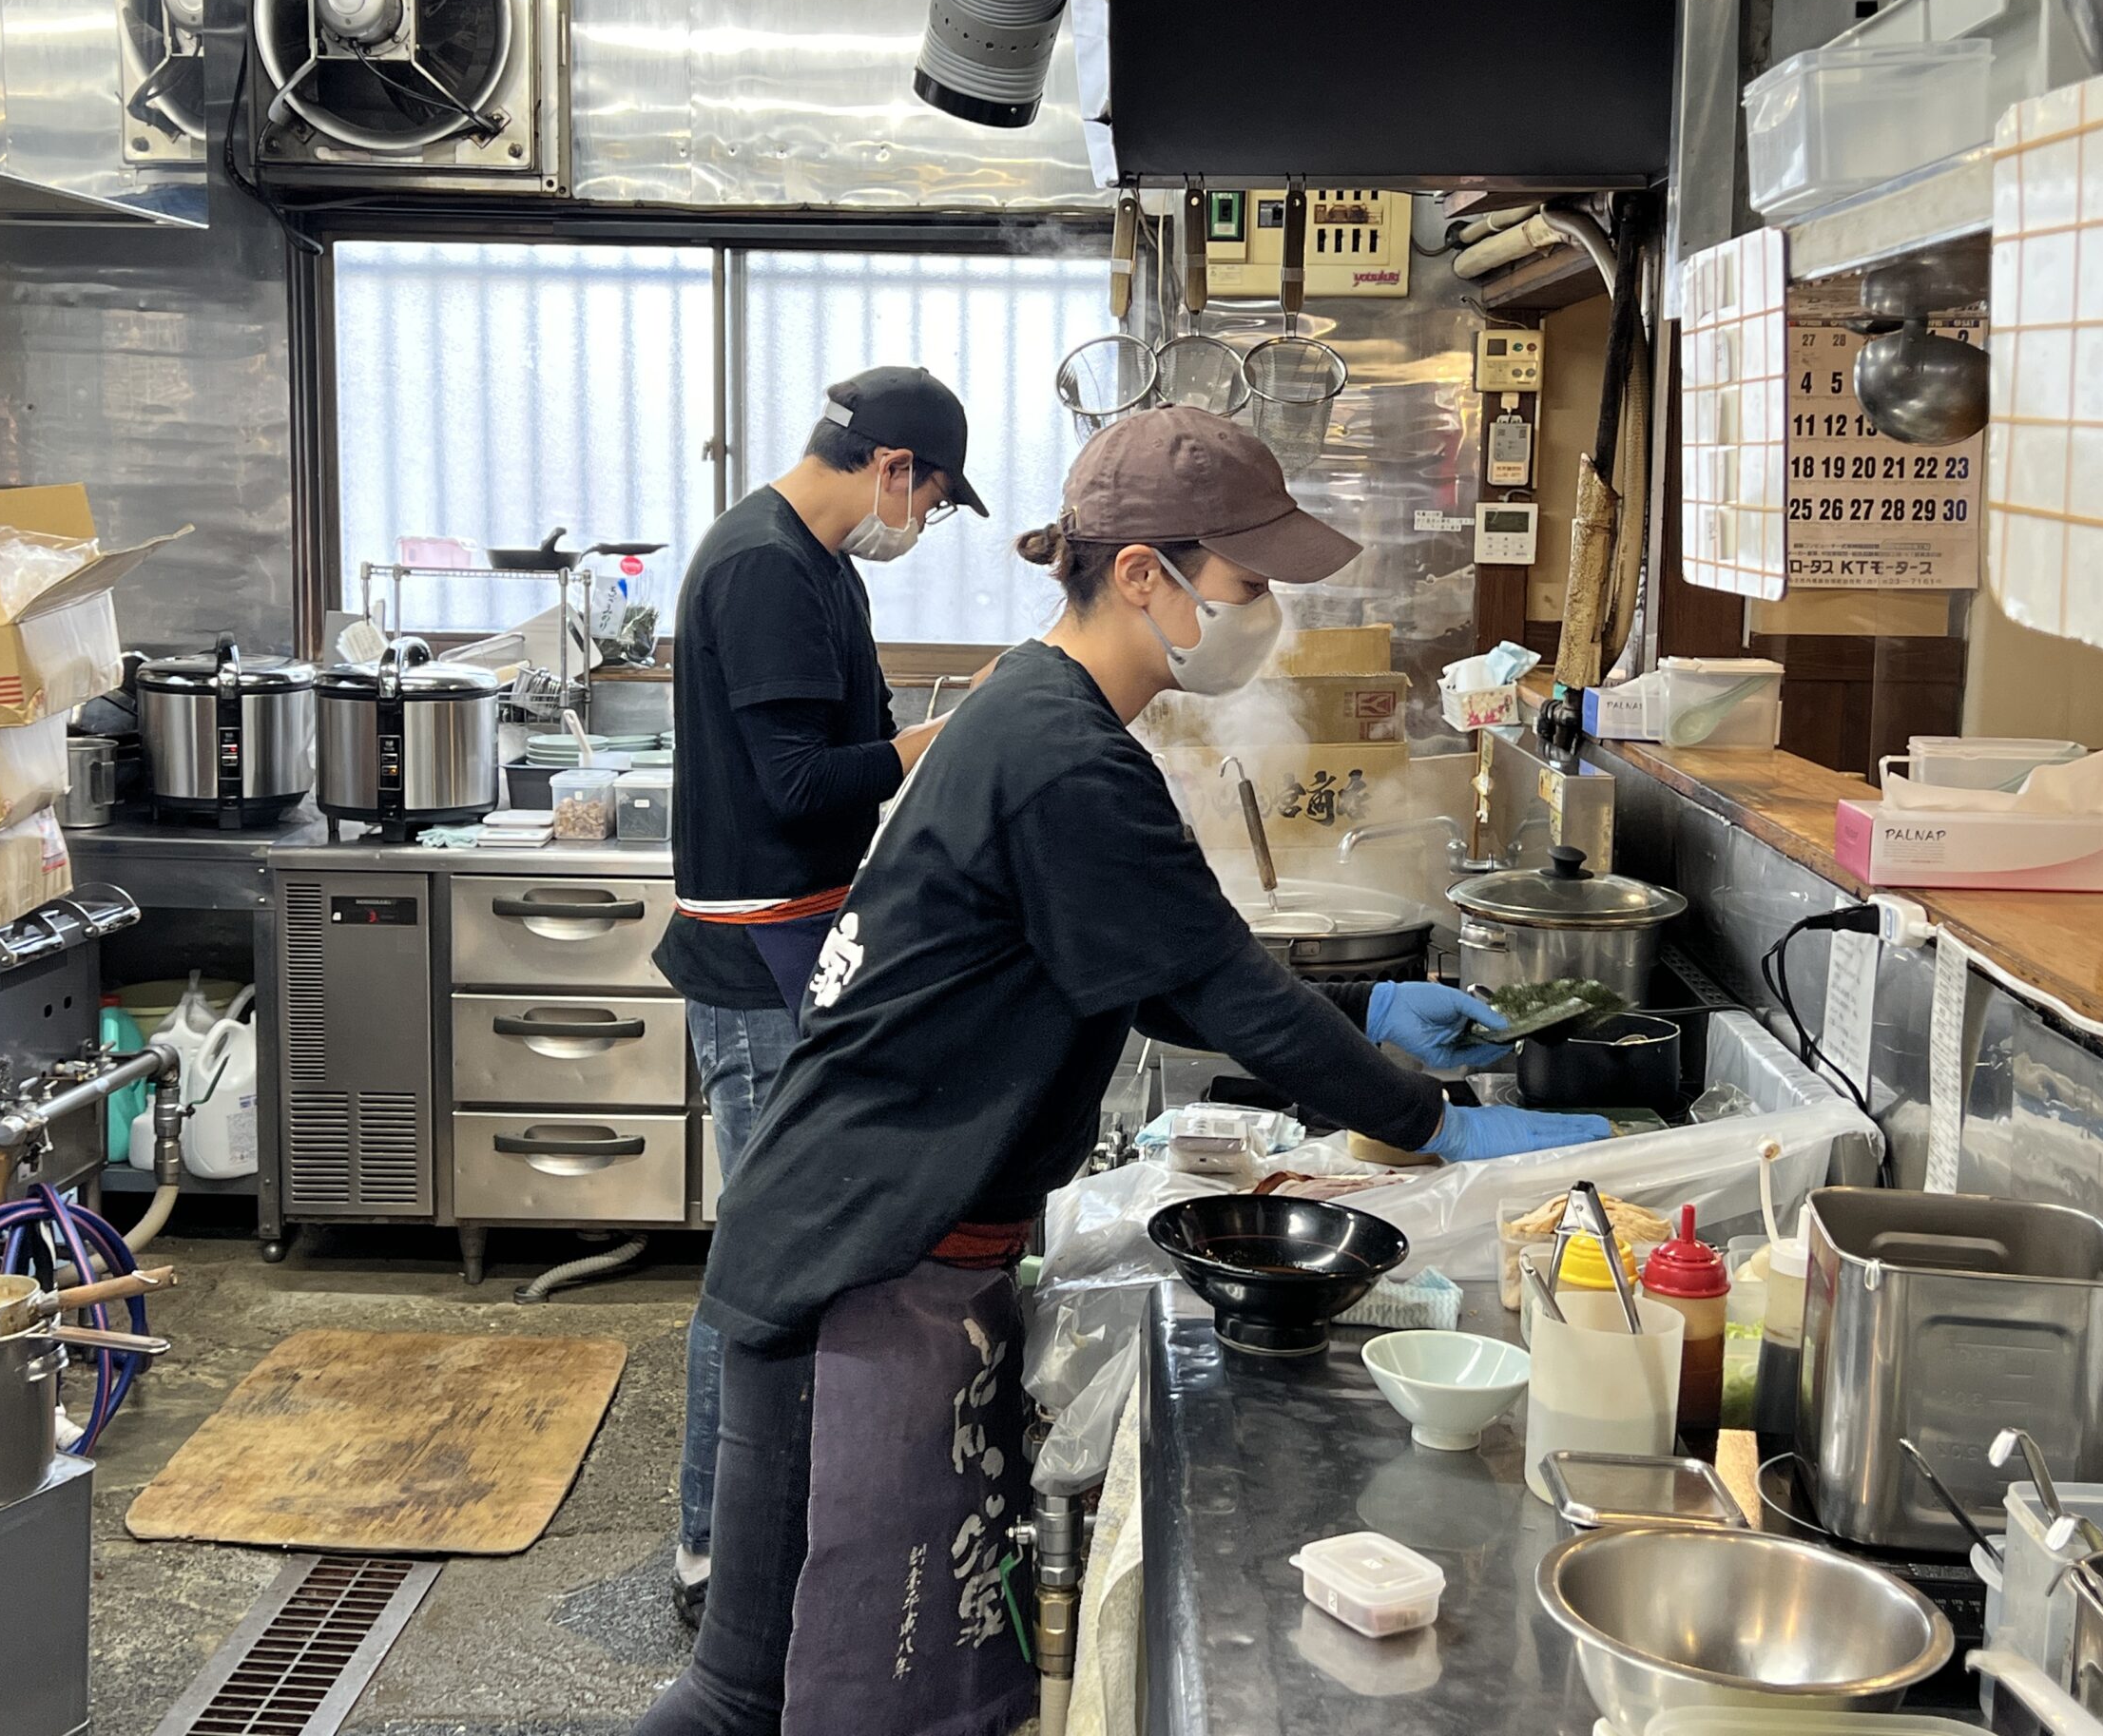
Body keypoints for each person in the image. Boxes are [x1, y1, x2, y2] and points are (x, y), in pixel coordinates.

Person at [633, 407, 1611, 1736]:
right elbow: (1218, 985)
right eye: (1248, 581)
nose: (1263, 612)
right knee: (746, 1703)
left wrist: (1368, 999)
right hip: (845, 1267)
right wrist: (1431, 1121)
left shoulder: (1039, 715)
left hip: (876, 1240)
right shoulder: (1061, 752)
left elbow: (1145, 958)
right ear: (1145, 574)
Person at [658, 365, 987, 1627]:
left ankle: (758, 1531)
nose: (924, 525)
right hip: (754, 960)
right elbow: (799, 785)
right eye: (936, 500)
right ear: (894, 468)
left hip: (802, 940)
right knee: (762, 1258)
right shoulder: (766, 568)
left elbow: (837, 753)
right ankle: (710, 1552)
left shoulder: (821, 564)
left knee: (784, 1247)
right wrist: (931, 751)